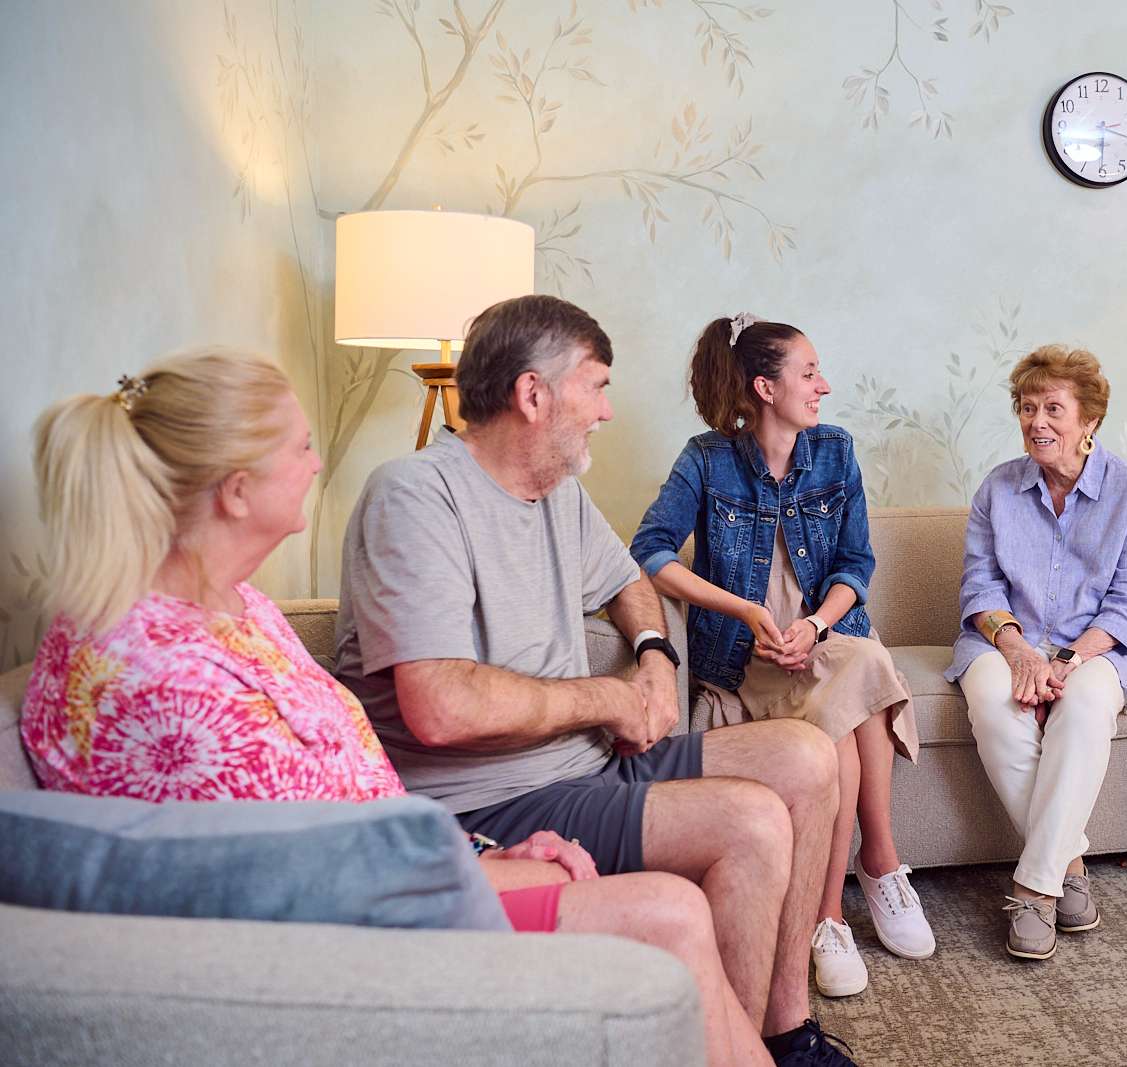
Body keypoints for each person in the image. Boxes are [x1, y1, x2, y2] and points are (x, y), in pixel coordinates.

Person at [19, 349, 774, 1067]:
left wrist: (482, 853)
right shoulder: (160, 680)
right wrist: (489, 870)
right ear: (237, 490)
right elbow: (303, 882)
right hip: (360, 947)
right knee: (669, 915)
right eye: (301, 446)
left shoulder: (234, 605)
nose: (317, 463)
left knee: (727, 844)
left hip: (412, 870)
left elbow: (336, 823)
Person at [333, 296, 856, 1067]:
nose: (608, 411)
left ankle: (782, 1028)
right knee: (750, 821)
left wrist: (653, 658)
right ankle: (727, 1050)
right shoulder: (415, 496)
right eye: (597, 386)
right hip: (491, 798)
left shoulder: (559, 492)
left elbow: (630, 580)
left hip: (585, 762)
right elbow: (439, 705)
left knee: (808, 758)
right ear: (532, 394)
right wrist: (608, 698)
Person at [629, 313, 935, 998]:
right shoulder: (705, 459)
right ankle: (840, 905)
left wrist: (817, 628)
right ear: (765, 387)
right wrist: (743, 611)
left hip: (829, 641)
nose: (823, 385)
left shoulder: (835, 450)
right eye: (808, 373)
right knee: (846, 736)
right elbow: (648, 552)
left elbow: (856, 562)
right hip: (746, 657)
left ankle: (872, 872)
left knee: (857, 667)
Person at [946, 345, 1127, 962]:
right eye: (1026, 407)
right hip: (1008, 639)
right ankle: (1067, 863)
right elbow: (981, 586)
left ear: (1088, 420)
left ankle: (1033, 887)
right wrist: (1016, 651)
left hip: (1097, 646)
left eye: (1053, 409)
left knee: (1086, 706)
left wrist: (1066, 661)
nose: (1036, 422)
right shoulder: (999, 488)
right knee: (991, 700)